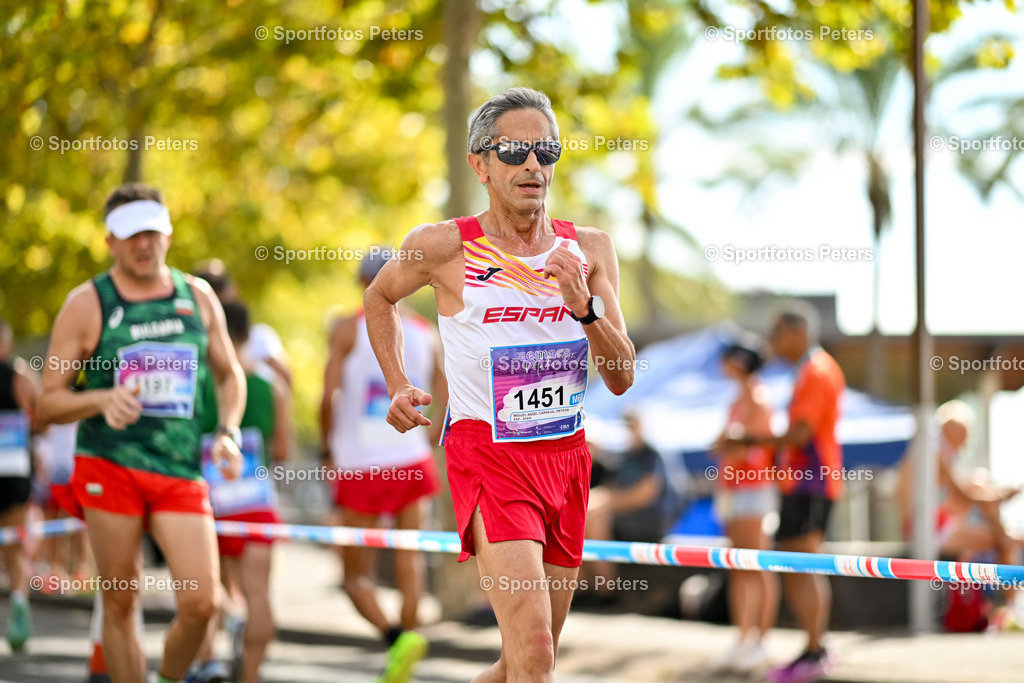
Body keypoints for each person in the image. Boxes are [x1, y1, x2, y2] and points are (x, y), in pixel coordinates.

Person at [364, 87, 636, 682]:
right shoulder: (443, 245)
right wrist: (398, 382)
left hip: (566, 457)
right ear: (480, 164)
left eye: (546, 150)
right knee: (535, 649)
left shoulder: (588, 249)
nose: (533, 164)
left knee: (524, 661)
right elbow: (378, 296)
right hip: (490, 455)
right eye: (514, 150)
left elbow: (621, 377)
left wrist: (585, 309)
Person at [36, 183, 244, 683]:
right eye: (131, 236)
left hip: (178, 468)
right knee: (121, 599)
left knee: (201, 602)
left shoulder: (197, 296)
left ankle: (168, 678)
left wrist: (227, 430)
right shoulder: (88, 304)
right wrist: (100, 398)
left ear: (168, 234)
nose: (143, 245)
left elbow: (229, 373)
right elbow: (48, 401)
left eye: (152, 233)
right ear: (110, 241)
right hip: (109, 465)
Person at [319, 248, 447, 682]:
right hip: (412, 460)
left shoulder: (347, 329)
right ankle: (408, 645)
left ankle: (396, 639)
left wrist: (326, 449)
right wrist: (430, 438)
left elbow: (327, 397)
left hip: (360, 465)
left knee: (355, 575)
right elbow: (447, 389)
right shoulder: (426, 332)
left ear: (363, 284)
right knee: (410, 559)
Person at [726, 302, 845, 683]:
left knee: (805, 563)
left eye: (777, 334)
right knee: (796, 564)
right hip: (801, 482)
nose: (772, 343)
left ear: (798, 332)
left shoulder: (817, 370)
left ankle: (816, 649)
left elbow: (801, 434)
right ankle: (812, 648)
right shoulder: (808, 370)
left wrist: (750, 440)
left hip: (813, 482)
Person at [189, 301, 293, 683]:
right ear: (249, 336)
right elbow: (283, 451)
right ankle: (249, 677)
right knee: (259, 597)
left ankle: (208, 664)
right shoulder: (272, 388)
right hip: (254, 504)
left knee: (204, 596)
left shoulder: (199, 386)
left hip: (205, 506)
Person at [709, 339, 779, 673]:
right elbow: (725, 445)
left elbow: (739, 447)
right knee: (738, 565)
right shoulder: (739, 399)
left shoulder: (758, 399)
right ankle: (743, 638)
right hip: (734, 490)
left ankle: (761, 641)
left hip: (753, 489)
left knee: (756, 563)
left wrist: (729, 445)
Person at [898, 400, 1020, 564]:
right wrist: (998, 497)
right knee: (1003, 539)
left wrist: (992, 495)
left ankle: (1006, 544)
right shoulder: (936, 454)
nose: (965, 442)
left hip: (927, 525)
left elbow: (961, 493)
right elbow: (963, 495)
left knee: (980, 484)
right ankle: (1007, 548)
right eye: (964, 434)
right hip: (925, 529)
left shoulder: (933, 454)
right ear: (951, 431)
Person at [582, 411, 678, 602]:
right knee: (579, 519)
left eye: (632, 424)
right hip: (630, 516)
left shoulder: (651, 454)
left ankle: (605, 591)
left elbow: (643, 496)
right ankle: (587, 588)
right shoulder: (627, 456)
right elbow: (611, 489)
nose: (628, 429)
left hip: (651, 519)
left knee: (593, 521)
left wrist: (604, 502)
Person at [0, 319, 39, 650]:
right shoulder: (21, 375)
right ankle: (18, 602)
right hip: (13, 469)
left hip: (13, 469)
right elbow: (40, 415)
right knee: (14, 548)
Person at [193, 259, 292, 389]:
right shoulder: (193, 336)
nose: (215, 305)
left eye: (218, 295)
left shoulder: (260, 337)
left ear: (233, 291)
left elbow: (285, 376)